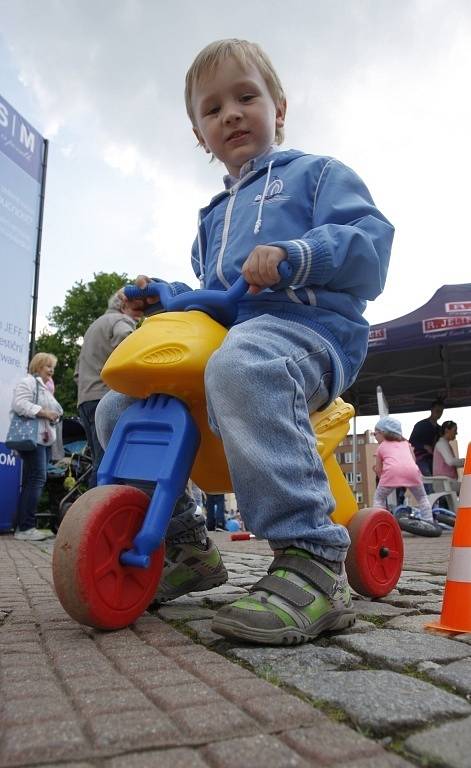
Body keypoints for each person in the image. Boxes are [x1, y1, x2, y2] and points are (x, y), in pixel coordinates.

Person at [96, 38, 394, 645]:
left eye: (246, 96)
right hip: (236, 341)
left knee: (246, 363)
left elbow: (370, 244)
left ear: (278, 109)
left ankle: (312, 559)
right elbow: (217, 292)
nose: (230, 113)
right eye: (212, 109)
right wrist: (165, 293)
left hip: (308, 334)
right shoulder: (210, 220)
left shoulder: (317, 175)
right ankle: (183, 545)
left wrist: (296, 255)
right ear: (199, 134)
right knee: (117, 407)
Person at [75, 291, 142, 488]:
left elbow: (77, 373)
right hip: (106, 399)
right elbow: (128, 345)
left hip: (85, 399)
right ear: (123, 304)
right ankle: (101, 515)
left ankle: (90, 513)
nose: (139, 315)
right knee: (110, 463)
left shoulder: (93, 327)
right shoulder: (122, 321)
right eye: (136, 309)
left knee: (99, 462)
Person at [10, 353, 63, 541]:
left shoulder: (45, 387)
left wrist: (53, 414)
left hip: (43, 440)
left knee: (32, 480)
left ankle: (23, 526)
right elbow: (19, 404)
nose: (51, 370)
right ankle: (26, 527)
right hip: (34, 441)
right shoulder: (29, 382)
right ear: (38, 365)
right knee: (36, 479)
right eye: (48, 366)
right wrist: (44, 412)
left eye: (53, 367)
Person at [373, 417, 434, 522]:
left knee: (379, 499)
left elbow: (379, 469)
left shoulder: (381, 446)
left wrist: (382, 478)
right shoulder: (406, 444)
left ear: (383, 433)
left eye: (375, 433)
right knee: (422, 498)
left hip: (391, 473)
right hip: (412, 472)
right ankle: (428, 521)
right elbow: (413, 460)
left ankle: (379, 522)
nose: (375, 436)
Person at [409, 400, 444, 479]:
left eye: (441, 411)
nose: (439, 413)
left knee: (436, 482)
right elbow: (411, 442)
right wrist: (424, 446)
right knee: (428, 481)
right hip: (421, 458)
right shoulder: (421, 425)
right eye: (437, 410)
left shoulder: (439, 428)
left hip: (434, 459)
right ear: (431, 410)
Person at [433, 420, 464, 492]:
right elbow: (451, 461)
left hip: (445, 482)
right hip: (445, 483)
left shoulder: (444, 443)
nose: (456, 433)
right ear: (447, 430)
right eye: (455, 430)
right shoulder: (442, 444)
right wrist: (466, 461)